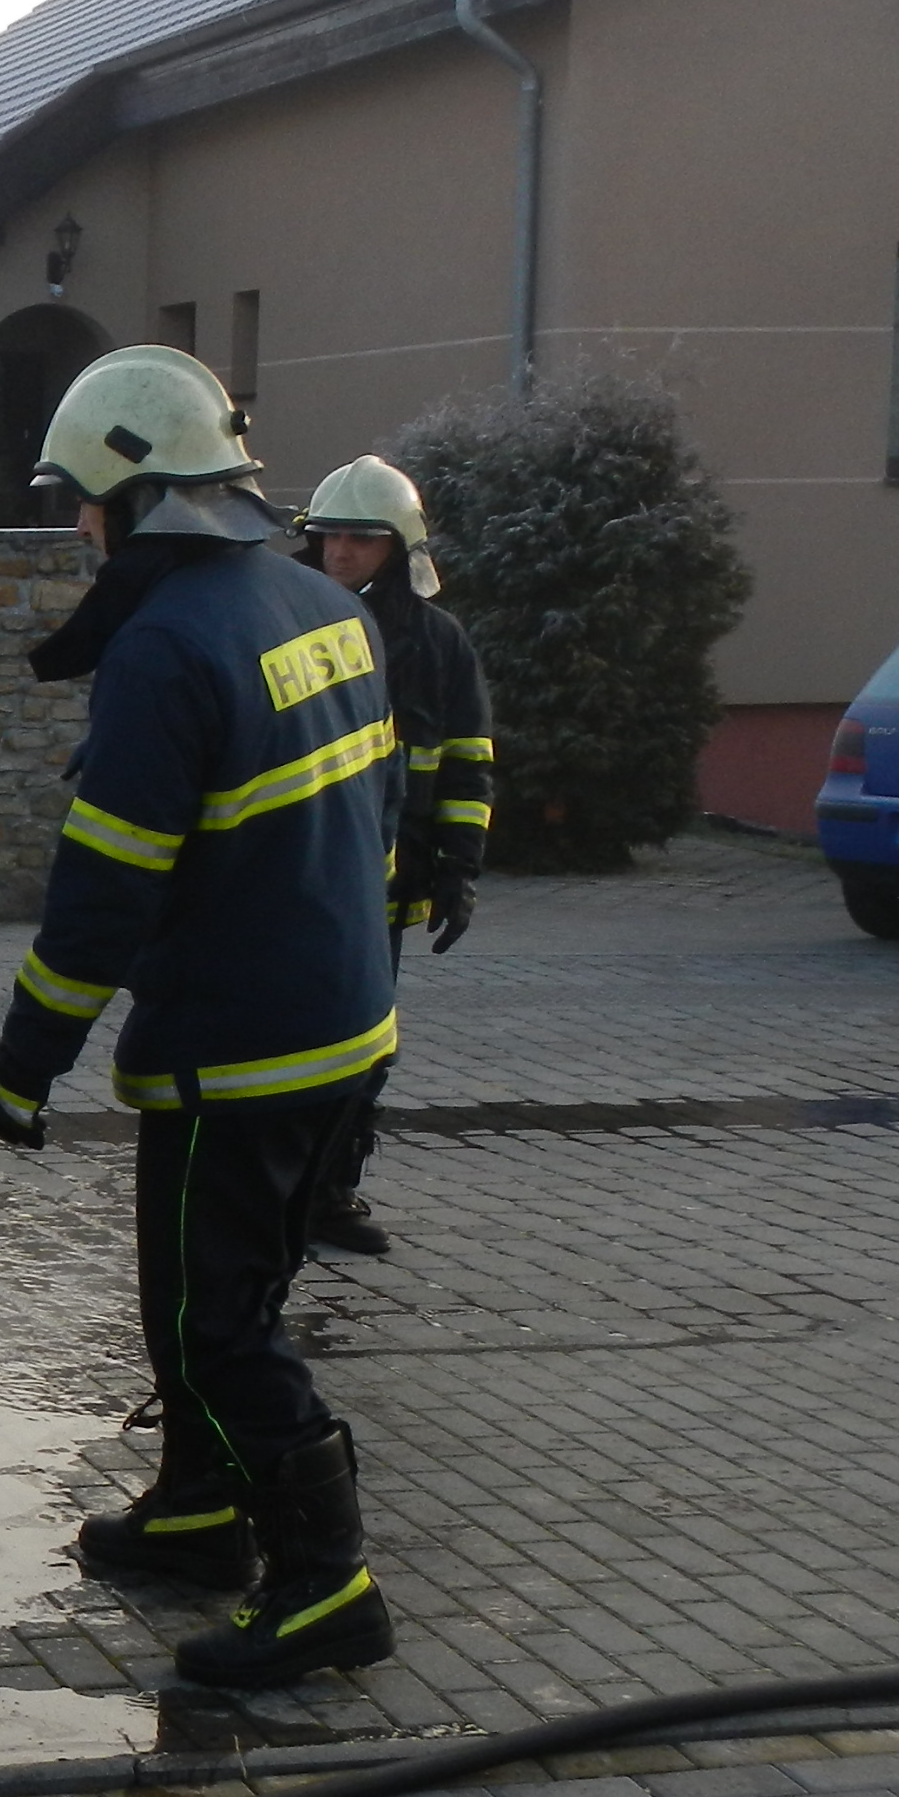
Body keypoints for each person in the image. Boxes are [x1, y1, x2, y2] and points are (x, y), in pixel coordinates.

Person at [0, 345, 403, 1689]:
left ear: (135, 495)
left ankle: (327, 1586)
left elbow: (104, 894)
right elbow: (376, 814)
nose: (75, 529)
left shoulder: (165, 648)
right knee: (210, 1301)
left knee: (218, 1325)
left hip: (241, 1052)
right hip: (344, 1027)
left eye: (81, 502)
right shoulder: (319, 602)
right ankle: (201, 1512)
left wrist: (22, 1063)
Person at [293, 456, 496, 1258]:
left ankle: (328, 1192)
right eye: (329, 537)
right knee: (284, 1038)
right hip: (297, 873)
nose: (340, 552)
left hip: (384, 879)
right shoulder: (289, 623)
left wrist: (459, 868)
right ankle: (276, 1187)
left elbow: (469, 761)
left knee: (364, 1044)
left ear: (399, 548)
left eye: (361, 539)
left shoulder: (438, 643)